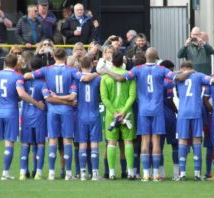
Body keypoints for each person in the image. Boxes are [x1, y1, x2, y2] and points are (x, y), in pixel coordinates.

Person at [102, 47, 189, 181]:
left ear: (146, 57)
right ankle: (155, 174)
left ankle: (145, 174)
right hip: (157, 110)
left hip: (143, 110)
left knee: (144, 141)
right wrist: (191, 71)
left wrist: (106, 70)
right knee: (155, 142)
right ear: (157, 57)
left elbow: (120, 78)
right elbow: (179, 77)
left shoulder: (137, 69)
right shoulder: (162, 70)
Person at [24, 48, 98, 180]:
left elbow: (28, 76)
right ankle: (68, 173)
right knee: (67, 140)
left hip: (52, 110)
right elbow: (86, 78)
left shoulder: (46, 70)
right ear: (65, 56)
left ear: (53, 56)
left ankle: (51, 173)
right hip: (67, 110)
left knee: (52, 140)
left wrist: (33, 76)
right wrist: (96, 74)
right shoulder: (72, 70)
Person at [0, 54, 45, 180]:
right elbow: (21, 93)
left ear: (5, 63)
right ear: (16, 64)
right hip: (11, 112)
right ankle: (5, 173)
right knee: (9, 143)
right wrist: (37, 103)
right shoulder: (18, 77)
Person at [174, 61, 214, 181]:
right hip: (196, 112)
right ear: (192, 67)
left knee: (182, 141)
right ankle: (197, 174)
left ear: (182, 68)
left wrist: (186, 73)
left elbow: (178, 82)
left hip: (183, 113)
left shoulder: (177, 76)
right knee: (196, 140)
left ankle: (182, 174)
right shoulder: (199, 76)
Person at [100, 50, 136, 180]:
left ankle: (111, 173)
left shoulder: (105, 77)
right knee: (128, 142)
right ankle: (131, 172)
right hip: (127, 114)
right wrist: (124, 111)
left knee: (111, 143)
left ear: (112, 61)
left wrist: (114, 112)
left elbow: (104, 98)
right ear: (123, 61)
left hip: (112, 114)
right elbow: (132, 96)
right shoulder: (129, 75)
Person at [19, 57, 47, 180]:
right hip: (39, 115)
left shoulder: (23, 81)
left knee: (25, 144)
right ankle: (38, 172)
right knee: (39, 144)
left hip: (26, 115)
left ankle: (22, 173)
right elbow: (47, 99)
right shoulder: (44, 83)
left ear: (30, 67)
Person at [75, 56, 101, 181]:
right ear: (91, 64)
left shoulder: (76, 78)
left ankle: (83, 174)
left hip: (81, 115)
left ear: (80, 65)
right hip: (94, 114)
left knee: (82, 144)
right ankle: (95, 174)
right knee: (94, 144)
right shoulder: (98, 79)